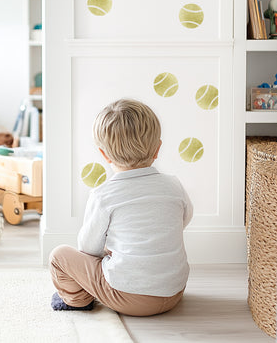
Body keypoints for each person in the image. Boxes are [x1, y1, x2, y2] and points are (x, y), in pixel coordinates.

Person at [49, 98, 193, 316]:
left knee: (59, 256)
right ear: (157, 149)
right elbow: (185, 218)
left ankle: (77, 299)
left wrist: (108, 249)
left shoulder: (104, 195)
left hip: (128, 298)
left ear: (104, 155)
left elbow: (88, 248)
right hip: (174, 292)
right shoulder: (173, 185)